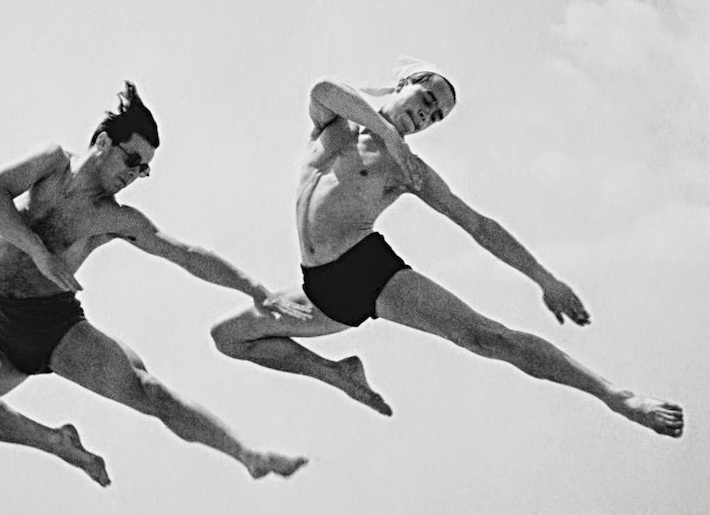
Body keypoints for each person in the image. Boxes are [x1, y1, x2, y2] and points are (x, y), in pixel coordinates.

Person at [211, 57, 684, 439]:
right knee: (229, 339)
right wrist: (390, 134)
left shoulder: (407, 170)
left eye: (436, 116)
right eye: (429, 98)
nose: (428, 114)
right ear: (406, 81)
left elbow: (478, 226)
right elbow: (323, 88)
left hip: (366, 271)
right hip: (318, 289)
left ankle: (618, 398)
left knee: (485, 338)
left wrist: (545, 279)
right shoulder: (335, 122)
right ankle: (338, 374)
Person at [0, 82, 310, 487]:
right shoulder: (52, 165)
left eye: (144, 168)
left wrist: (256, 291)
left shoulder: (115, 219)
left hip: (57, 331)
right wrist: (40, 252)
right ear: (104, 142)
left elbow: (186, 254)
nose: (135, 174)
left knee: (150, 393)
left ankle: (248, 455)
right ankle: (57, 442)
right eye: (132, 159)